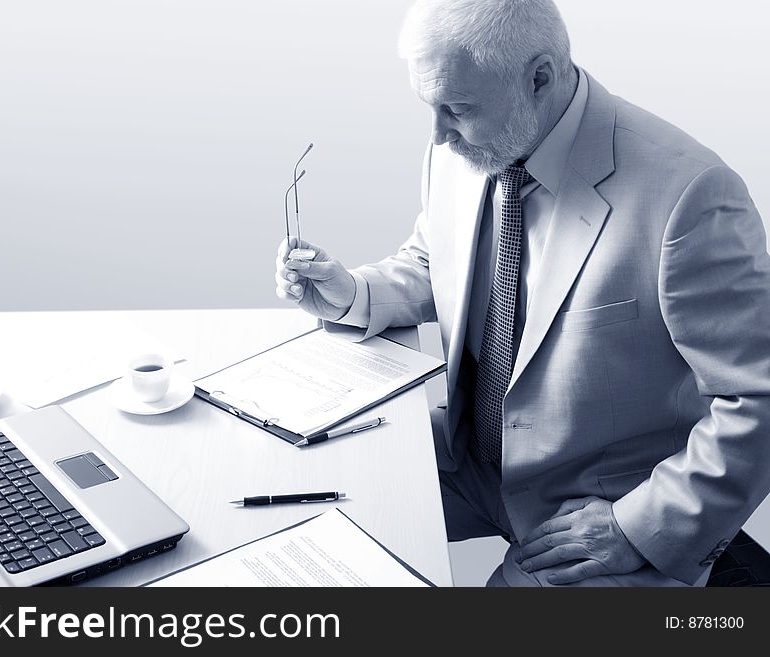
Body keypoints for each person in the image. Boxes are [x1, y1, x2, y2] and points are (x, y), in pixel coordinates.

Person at [274, 0, 770, 586]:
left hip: (599, 497)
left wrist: (639, 525)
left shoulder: (690, 194)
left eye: (456, 109)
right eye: (430, 106)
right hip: (469, 457)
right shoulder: (464, 144)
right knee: (293, 505)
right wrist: (354, 293)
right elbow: (437, 261)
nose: (436, 132)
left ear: (539, 78)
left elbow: (757, 399)